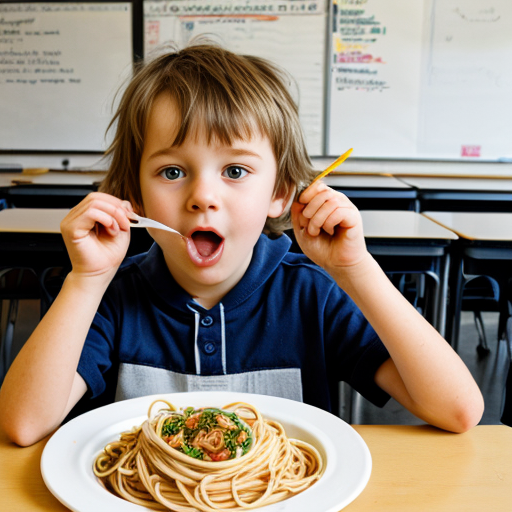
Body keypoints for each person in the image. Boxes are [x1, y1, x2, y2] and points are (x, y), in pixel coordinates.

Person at [0, 42, 483, 446]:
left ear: (279, 193)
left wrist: (355, 269)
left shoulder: (310, 293)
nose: (203, 197)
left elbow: (459, 410)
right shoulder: (111, 297)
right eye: (172, 172)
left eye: (235, 171)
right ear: (133, 196)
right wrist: (86, 280)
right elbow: (22, 425)